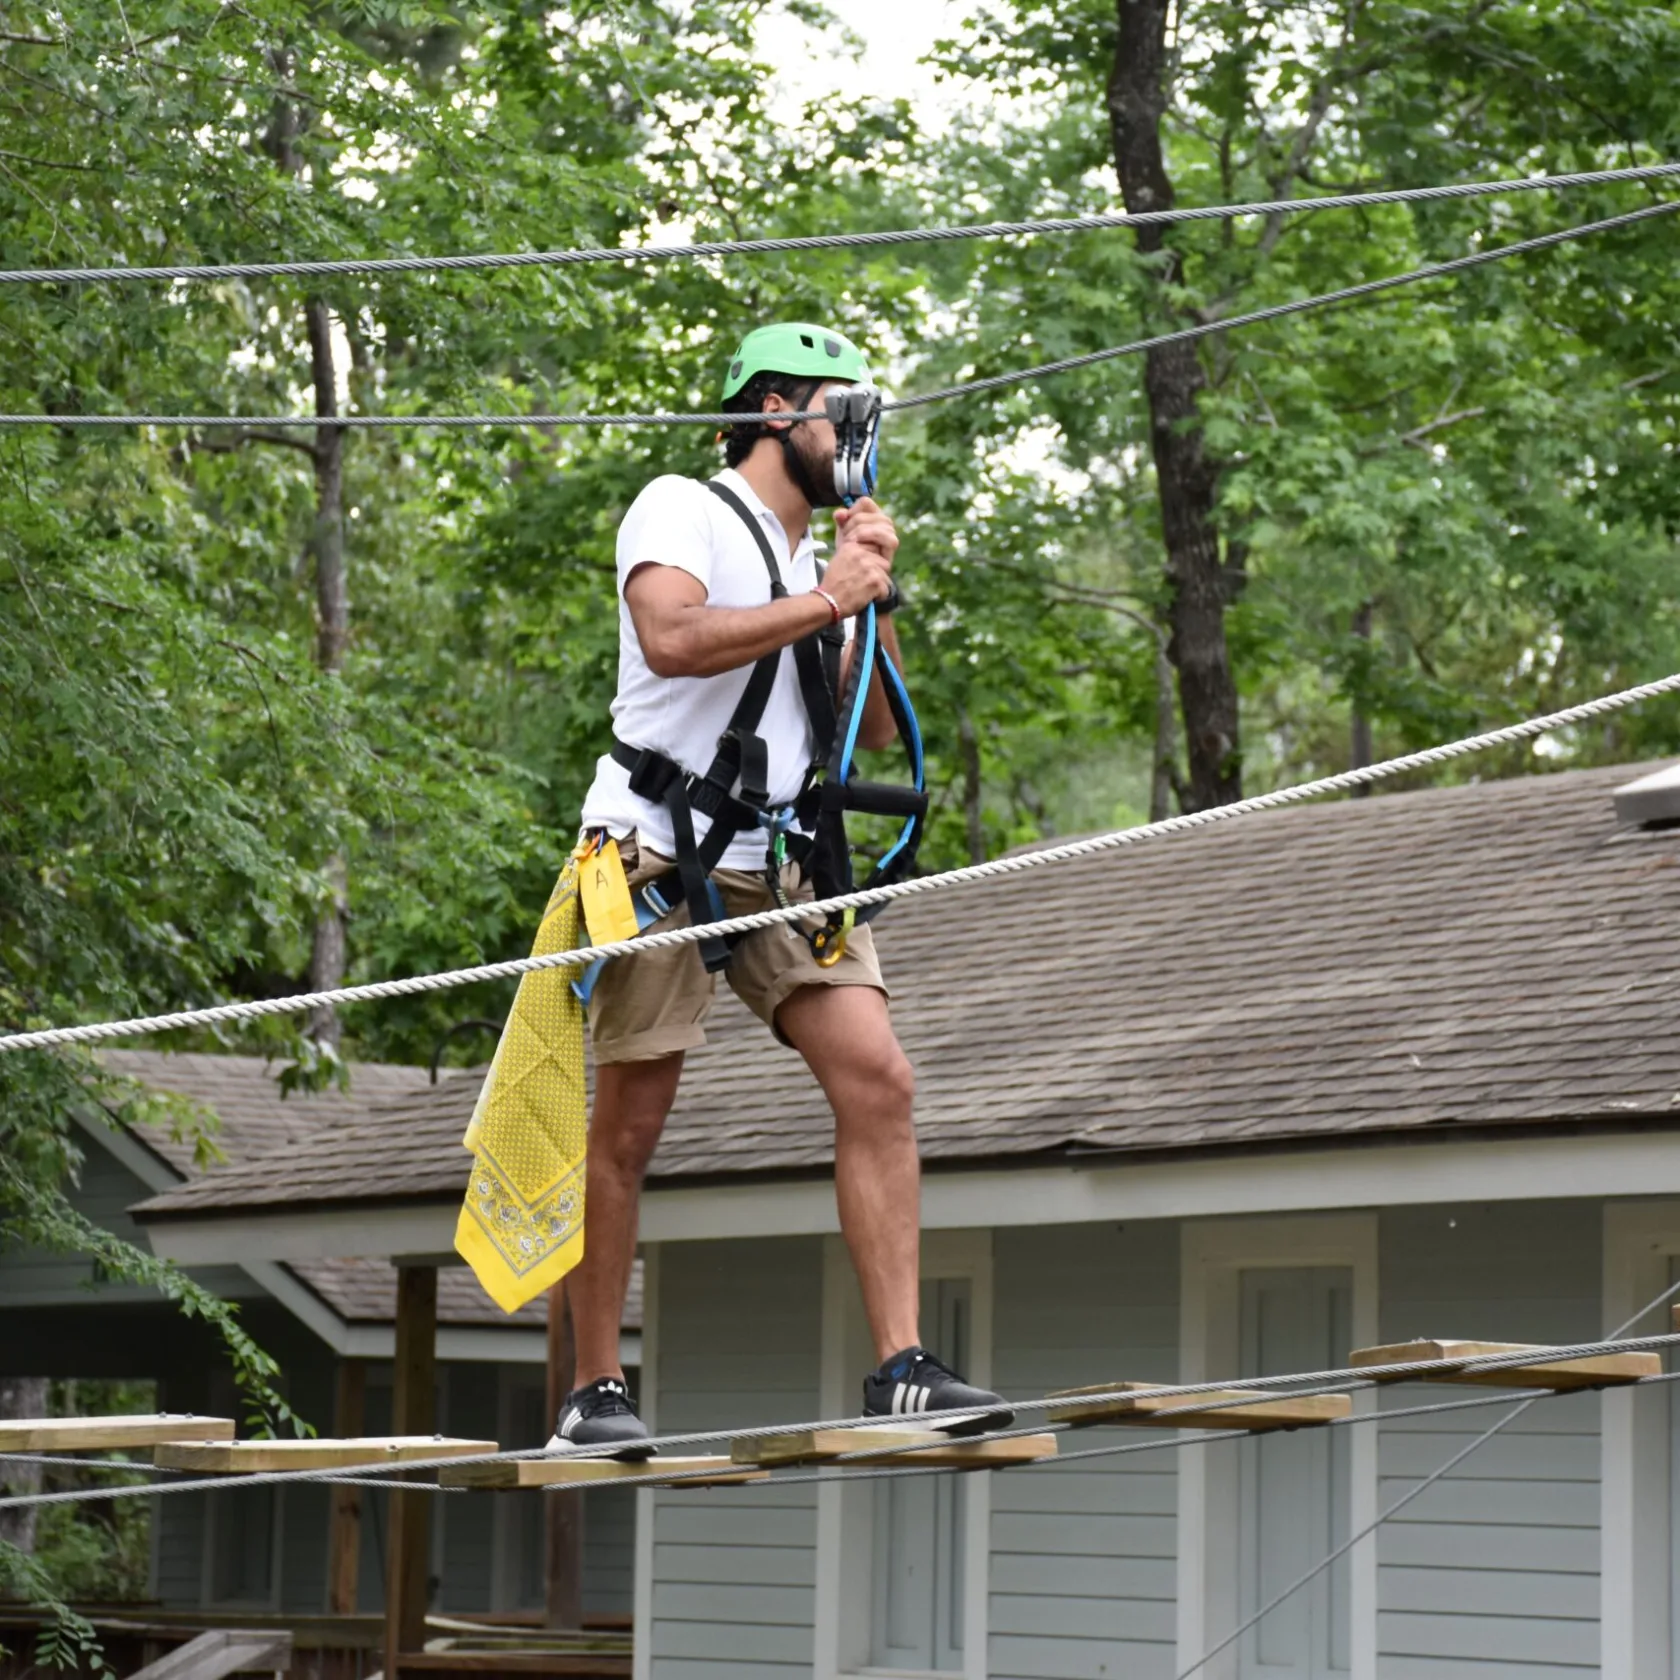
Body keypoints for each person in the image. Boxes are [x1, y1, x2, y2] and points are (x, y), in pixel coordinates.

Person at [551, 323, 1010, 1454]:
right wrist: (827, 594)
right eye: (835, 411)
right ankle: (593, 1393)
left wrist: (871, 596)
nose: (854, 435)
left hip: (785, 860)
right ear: (770, 411)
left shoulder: (821, 567)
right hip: (661, 849)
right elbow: (671, 638)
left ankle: (900, 1366)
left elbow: (868, 720)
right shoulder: (682, 507)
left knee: (881, 1080)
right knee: (629, 1122)